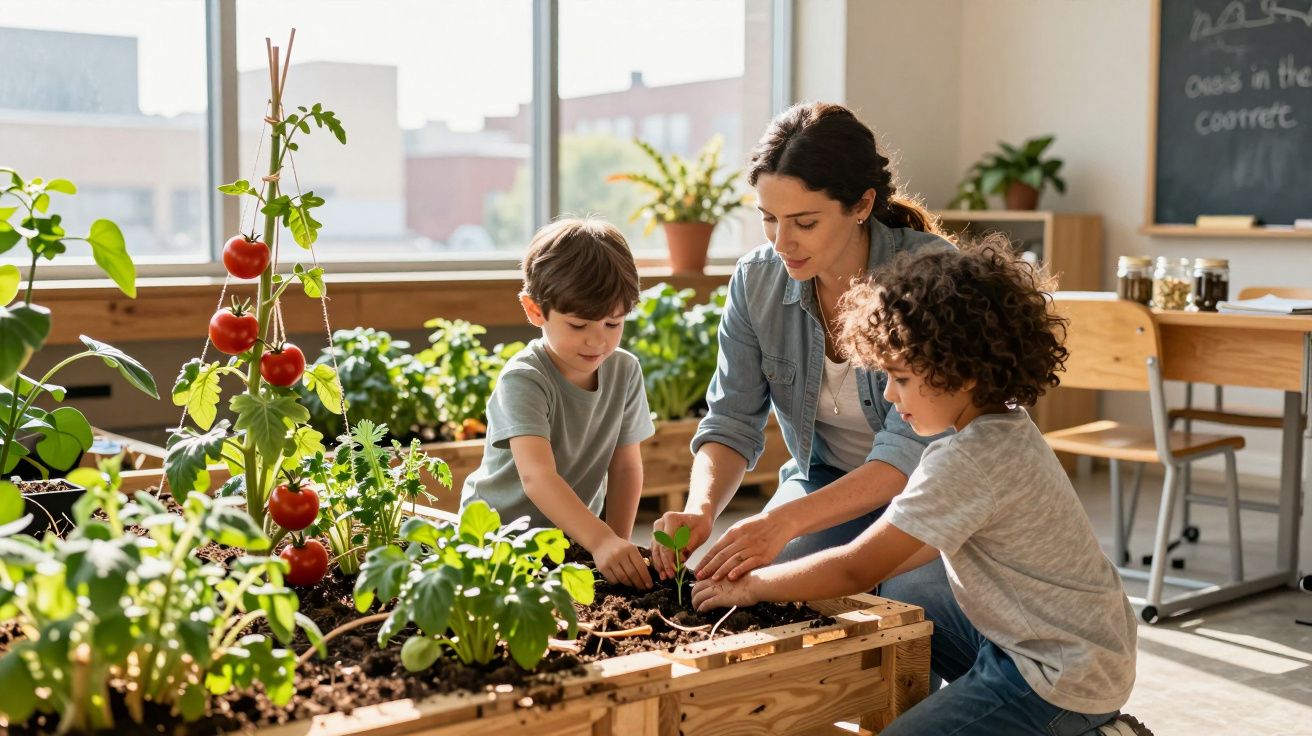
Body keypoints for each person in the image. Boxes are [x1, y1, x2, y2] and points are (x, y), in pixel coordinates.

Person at [691, 242, 1144, 735]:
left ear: (963, 372)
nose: (888, 395)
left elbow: (856, 567)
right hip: (1061, 641)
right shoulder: (1002, 426)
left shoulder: (967, 460)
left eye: (901, 378)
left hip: (1059, 676)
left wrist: (754, 585)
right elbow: (893, 557)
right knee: (907, 598)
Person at [650, 102, 950, 595]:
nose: (782, 242)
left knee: (910, 598)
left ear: (862, 205)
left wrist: (784, 522)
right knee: (752, 580)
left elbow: (909, 454)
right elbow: (731, 420)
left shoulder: (930, 276)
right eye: (769, 219)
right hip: (826, 478)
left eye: (804, 223)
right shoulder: (757, 280)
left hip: (933, 490)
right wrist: (700, 508)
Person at [460, 217, 654, 589]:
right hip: (497, 540)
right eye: (579, 326)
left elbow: (627, 467)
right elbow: (537, 477)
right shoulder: (524, 379)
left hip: (571, 539)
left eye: (613, 325)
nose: (597, 342)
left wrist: (615, 542)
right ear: (535, 311)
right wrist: (599, 540)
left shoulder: (625, 371)